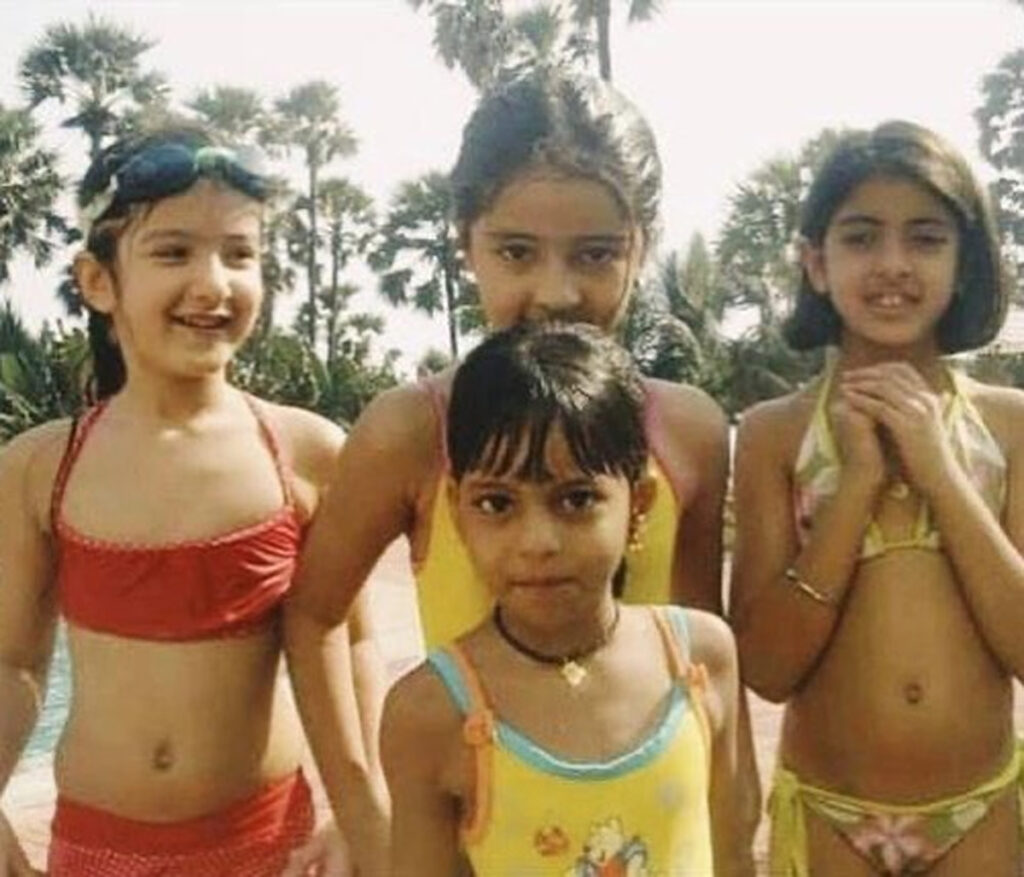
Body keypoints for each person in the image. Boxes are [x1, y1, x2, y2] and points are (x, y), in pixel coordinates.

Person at [285, 67, 759, 869]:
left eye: (596, 253)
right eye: (515, 252)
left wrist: (730, 838)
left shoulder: (687, 433)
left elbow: (702, 666)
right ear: (465, 241)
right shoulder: (414, 431)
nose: (556, 292)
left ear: (642, 245)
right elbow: (313, 613)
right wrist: (364, 811)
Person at [0, 127, 379, 876]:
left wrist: (359, 807)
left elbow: (352, 639)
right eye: (173, 252)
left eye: (239, 254)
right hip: (98, 851)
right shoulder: (43, 467)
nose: (212, 284)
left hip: (267, 844)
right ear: (98, 281)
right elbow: (14, 662)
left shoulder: (305, 453)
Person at [731, 119, 1023, 875]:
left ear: (964, 263)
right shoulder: (773, 435)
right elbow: (765, 667)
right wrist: (855, 485)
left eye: (926, 238)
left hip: (981, 809)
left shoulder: (1008, 427)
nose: (893, 264)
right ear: (815, 263)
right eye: (861, 237)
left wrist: (941, 472)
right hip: (830, 813)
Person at [379, 321, 747, 875]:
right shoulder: (433, 712)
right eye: (497, 504)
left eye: (576, 499)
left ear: (639, 505)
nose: (538, 543)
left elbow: (734, 851)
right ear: (457, 510)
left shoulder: (699, 659)